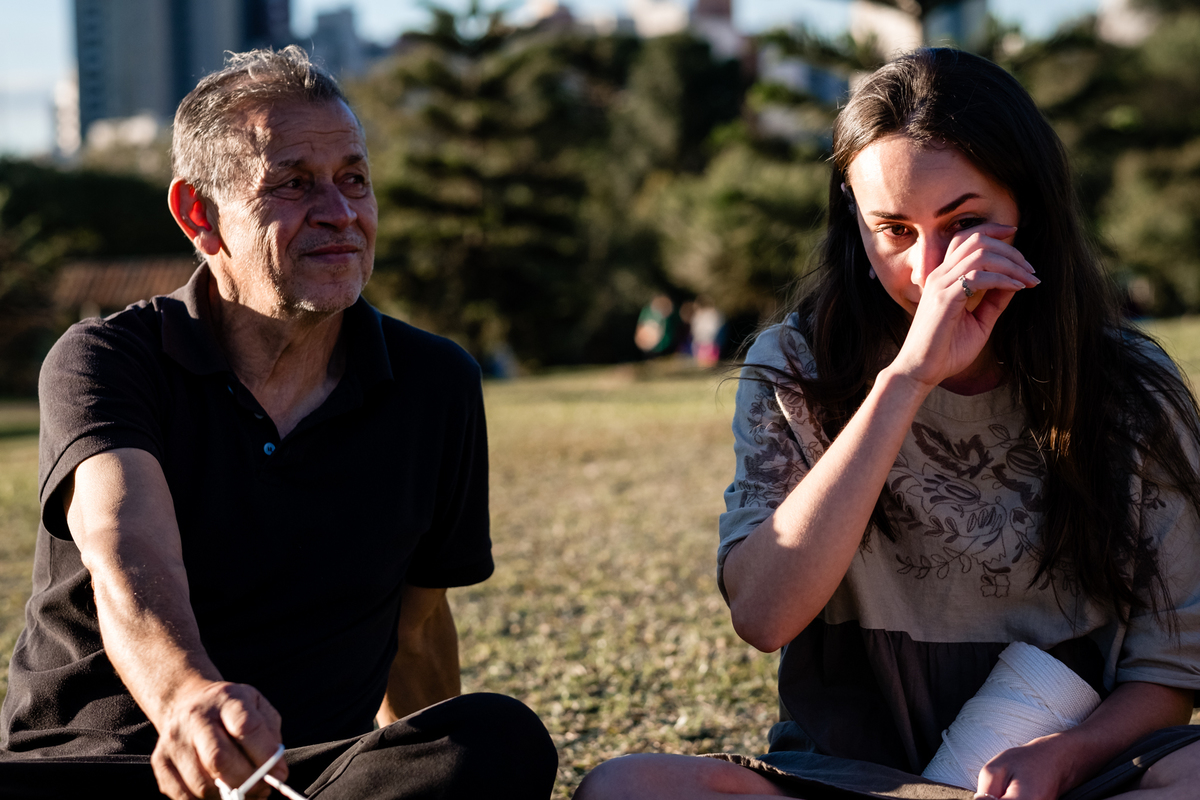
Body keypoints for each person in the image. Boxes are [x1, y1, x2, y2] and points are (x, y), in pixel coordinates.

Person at [577, 48, 1200, 800]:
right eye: (895, 230)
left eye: (965, 223)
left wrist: (1068, 755)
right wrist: (905, 380)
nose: (929, 270)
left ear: (1028, 209)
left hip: (1066, 779)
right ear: (856, 220)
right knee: (627, 788)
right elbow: (764, 617)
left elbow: (1171, 669)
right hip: (850, 779)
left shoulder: (1128, 386)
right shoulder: (797, 366)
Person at [0, 47, 557, 800]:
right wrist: (189, 700)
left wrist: (440, 770)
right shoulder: (106, 359)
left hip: (301, 779)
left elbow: (417, 629)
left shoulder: (435, 384)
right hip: (98, 768)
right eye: (293, 184)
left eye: (353, 179)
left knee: (494, 737)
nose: (340, 213)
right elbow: (126, 551)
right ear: (200, 215)